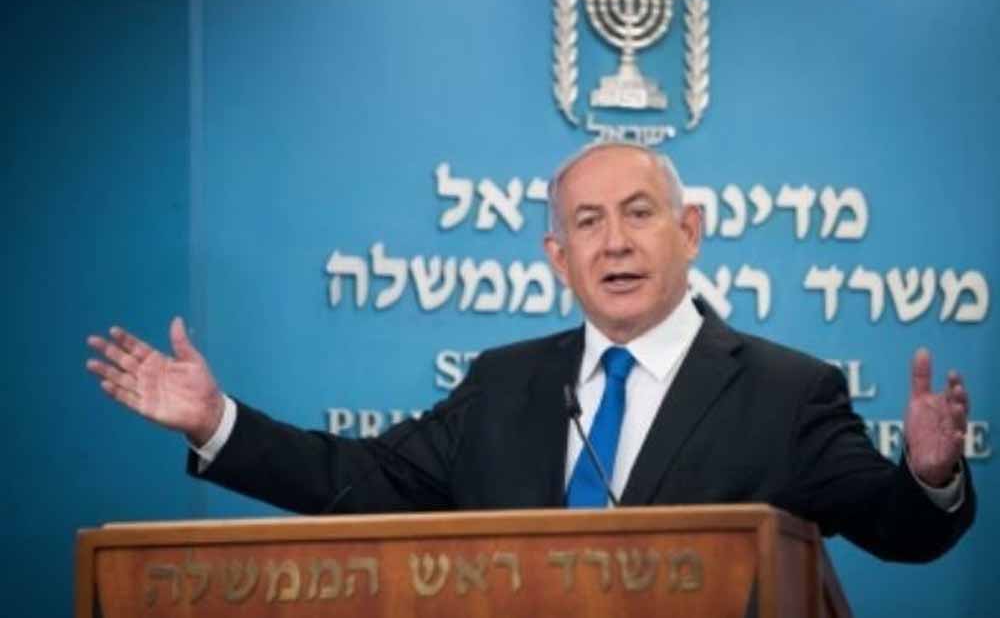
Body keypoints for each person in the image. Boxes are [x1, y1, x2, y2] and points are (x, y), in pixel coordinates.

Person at [86, 142, 974, 562]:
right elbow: (356, 479)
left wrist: (929, 477)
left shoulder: (786, 391)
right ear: (558, 256)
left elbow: (896, 526)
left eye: (639, 213)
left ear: (690, 231)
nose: (614, 242)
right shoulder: (504, 384)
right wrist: (217, 420)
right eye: (587, 222)